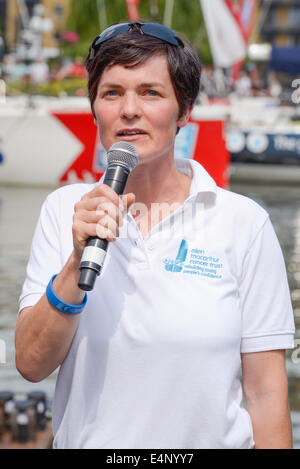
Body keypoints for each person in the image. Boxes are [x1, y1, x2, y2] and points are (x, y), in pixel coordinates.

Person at [16, 21, 295, 449]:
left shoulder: (242, 223)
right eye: (112, 93)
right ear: (95, 110)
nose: (129, 109)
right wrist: (76, 262)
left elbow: (266, 394)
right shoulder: (65, 210)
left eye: (150, 92)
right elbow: (32, 364)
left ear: (184, 111)